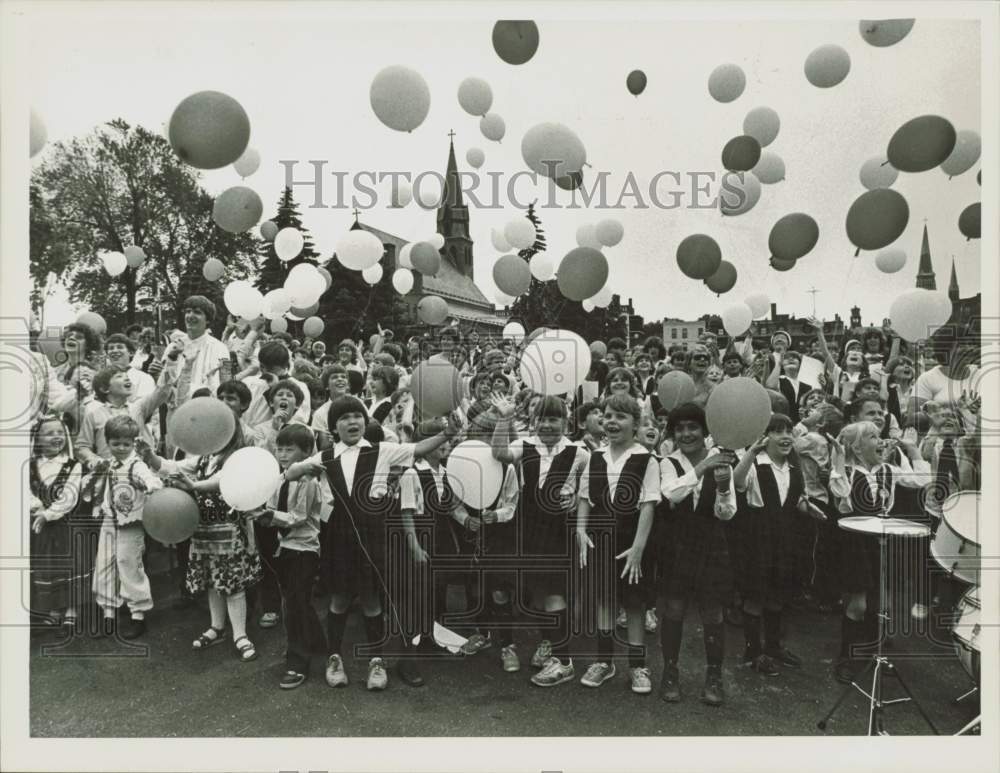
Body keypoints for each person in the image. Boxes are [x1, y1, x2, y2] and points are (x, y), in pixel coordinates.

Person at [282, 397, 462, 692]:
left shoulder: (383, 451)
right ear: (333, 426)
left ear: (365, 422)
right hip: (339, 536)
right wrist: (300, 470)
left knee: (371, 600)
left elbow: (417, 448)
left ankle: (376, 661)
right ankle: (334, 657)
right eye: (344, 418)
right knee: (339, 598)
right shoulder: (325, 457)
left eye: (357, 416)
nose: (352, 422)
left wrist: (447, 434)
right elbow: (291, 472)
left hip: (372, 536)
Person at [489, 393, 589, 687]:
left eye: (554, 419)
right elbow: (500, 454)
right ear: (534, 421)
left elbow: (586, 492)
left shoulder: (579, 453)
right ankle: (510, 646)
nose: (547, 425)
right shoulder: (524, 445)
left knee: (552, 592)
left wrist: (572, 501)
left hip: (555, 531)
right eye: (542, 419)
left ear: (565, 421)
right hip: (522, 527)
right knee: (506, 584)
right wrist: (504, 418)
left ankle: (561, 657)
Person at [141, 422, 263, 663]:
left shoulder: (236, 459)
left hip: (229, 529)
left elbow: (223, 480)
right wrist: (150, 456)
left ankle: (240, 634)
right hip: (204, 529)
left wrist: (194, 485)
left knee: (232, 583)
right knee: (210, 579)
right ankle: (217, 626)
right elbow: (172, 466)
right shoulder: (202, 458)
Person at [830, 420, 930, 684]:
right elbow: (841, 500)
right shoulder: (848, 472)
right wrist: (839, 461)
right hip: (855, 543)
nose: (881, 441)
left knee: (879, 603)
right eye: (873, 437)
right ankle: (846, 658)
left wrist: (913, 451)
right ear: (857, 446)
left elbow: (922, 480)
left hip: (881, 542)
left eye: (880, 436)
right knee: (858, 603)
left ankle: (872, 655)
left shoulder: (888, 469)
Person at [575, 393, 660, 694]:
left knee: (634, 605)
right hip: (599, 540)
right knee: (604, 601)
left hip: (631, 543)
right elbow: (585, 497)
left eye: (620, 417)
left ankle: (638, 666)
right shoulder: (596, 456)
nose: (611, 421)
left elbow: (648, 505)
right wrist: (581, 530)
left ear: (636, 425)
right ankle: (604, 661)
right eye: (608, 415)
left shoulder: (646, 459)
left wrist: (638, 549)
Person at [658, 403, 738, 706]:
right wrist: (704, 467)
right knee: (674, 609)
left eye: (693, 427)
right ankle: (670, 671)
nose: (686, 433)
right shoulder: (667, 462)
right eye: (679, 428)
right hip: (677, 546)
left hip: (712, 544)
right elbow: (671, 494)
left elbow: (727, 514)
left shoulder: (723, 461)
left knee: (713, 613)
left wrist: (724, 487)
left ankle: (714, 675)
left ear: (705, 431)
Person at [733, 414, 813, 677]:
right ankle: (754, 652)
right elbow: (737, 483)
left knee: (778, 595)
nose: (786, 436)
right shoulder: (756, 464)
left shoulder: (793, 468)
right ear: (764, 437)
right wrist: (750, 453)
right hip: (759, 539)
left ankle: (774, 646)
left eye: (789, 430)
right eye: (777, 431)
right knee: (756, 595)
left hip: (786, 540)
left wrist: (806, 507)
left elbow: (794, 499)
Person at [396, 423, 470, 687]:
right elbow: (406, 511)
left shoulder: (445, 472)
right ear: (426, 445)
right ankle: (406, 659)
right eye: (441, 441)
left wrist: (468, 521)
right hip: (421, 539)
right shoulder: (412, 473)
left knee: (434, 593)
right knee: (416, 598)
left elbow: (450, 507)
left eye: (448, 441)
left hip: (441, 540)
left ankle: (428, 639)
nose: (447, 445)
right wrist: (414, 546)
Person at [255, 423, 325, 689]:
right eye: (279, 449)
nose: (283, 454)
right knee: (296, 599)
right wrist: (263, 515)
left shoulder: (309, 482)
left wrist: (271, 517)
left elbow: (298, 517)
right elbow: (272, 506)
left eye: (289, 449)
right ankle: (318, 642)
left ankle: (298, 662)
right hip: (284, 547)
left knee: (294, 605)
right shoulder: (278, 479)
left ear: (306, 452)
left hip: (304, 550)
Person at [90, 415, 164, 639]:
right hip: (110, 521)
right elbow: (107, 488)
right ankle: (108, 614)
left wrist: (151, 485)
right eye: (116, 443)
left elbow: (152, 479)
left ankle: (137, 614)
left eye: (126, 444)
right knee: (103, 566)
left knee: (129, 565)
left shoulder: (136, 464)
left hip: (130, 523)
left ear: (133, 443)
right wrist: (100, 505)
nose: (121, 448)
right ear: (108, 442)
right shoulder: (111, 463)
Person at [29, 415, 88, 632]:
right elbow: (27, 491)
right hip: (41, 524)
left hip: (65, 525)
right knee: (49, 566)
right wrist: (37, 509)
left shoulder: (73, 466)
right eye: (49, 433)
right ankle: (54, 608)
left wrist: (49, 514)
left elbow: (69, 497)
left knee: (70, 565)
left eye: (60, 432)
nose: (57, 437)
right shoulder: (32, 465)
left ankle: (72, 608)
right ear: (37, 439)